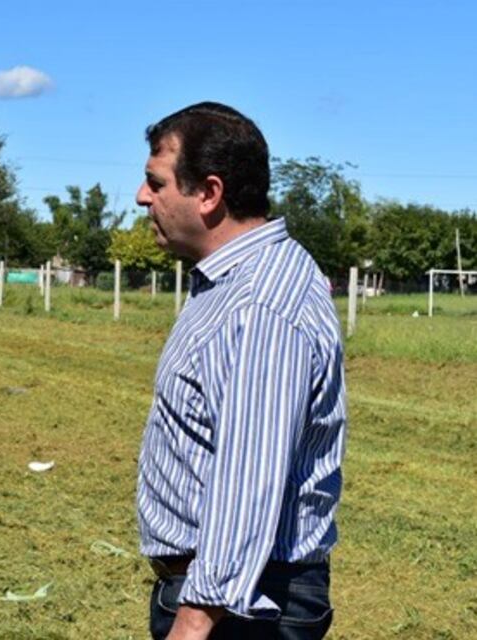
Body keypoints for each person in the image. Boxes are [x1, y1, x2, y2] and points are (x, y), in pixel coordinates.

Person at [134, 102, 346, 640]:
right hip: (228, 594)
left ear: (208, 193)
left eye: (155, 183)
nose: (142, 198)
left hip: (241, 607)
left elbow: (249, 479)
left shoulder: (260, 306)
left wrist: (194, 620)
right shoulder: (232, 283)